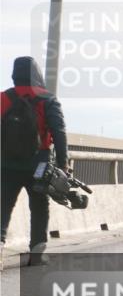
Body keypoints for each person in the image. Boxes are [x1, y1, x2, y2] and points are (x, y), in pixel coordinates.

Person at [1, 57, 68, 267]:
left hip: (6, 164)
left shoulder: (4, 98)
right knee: (39, 206)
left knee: (2, 208)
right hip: (39, 164)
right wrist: (63, 163)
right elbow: (59, 132)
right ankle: (37, 254)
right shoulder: (48, 99)